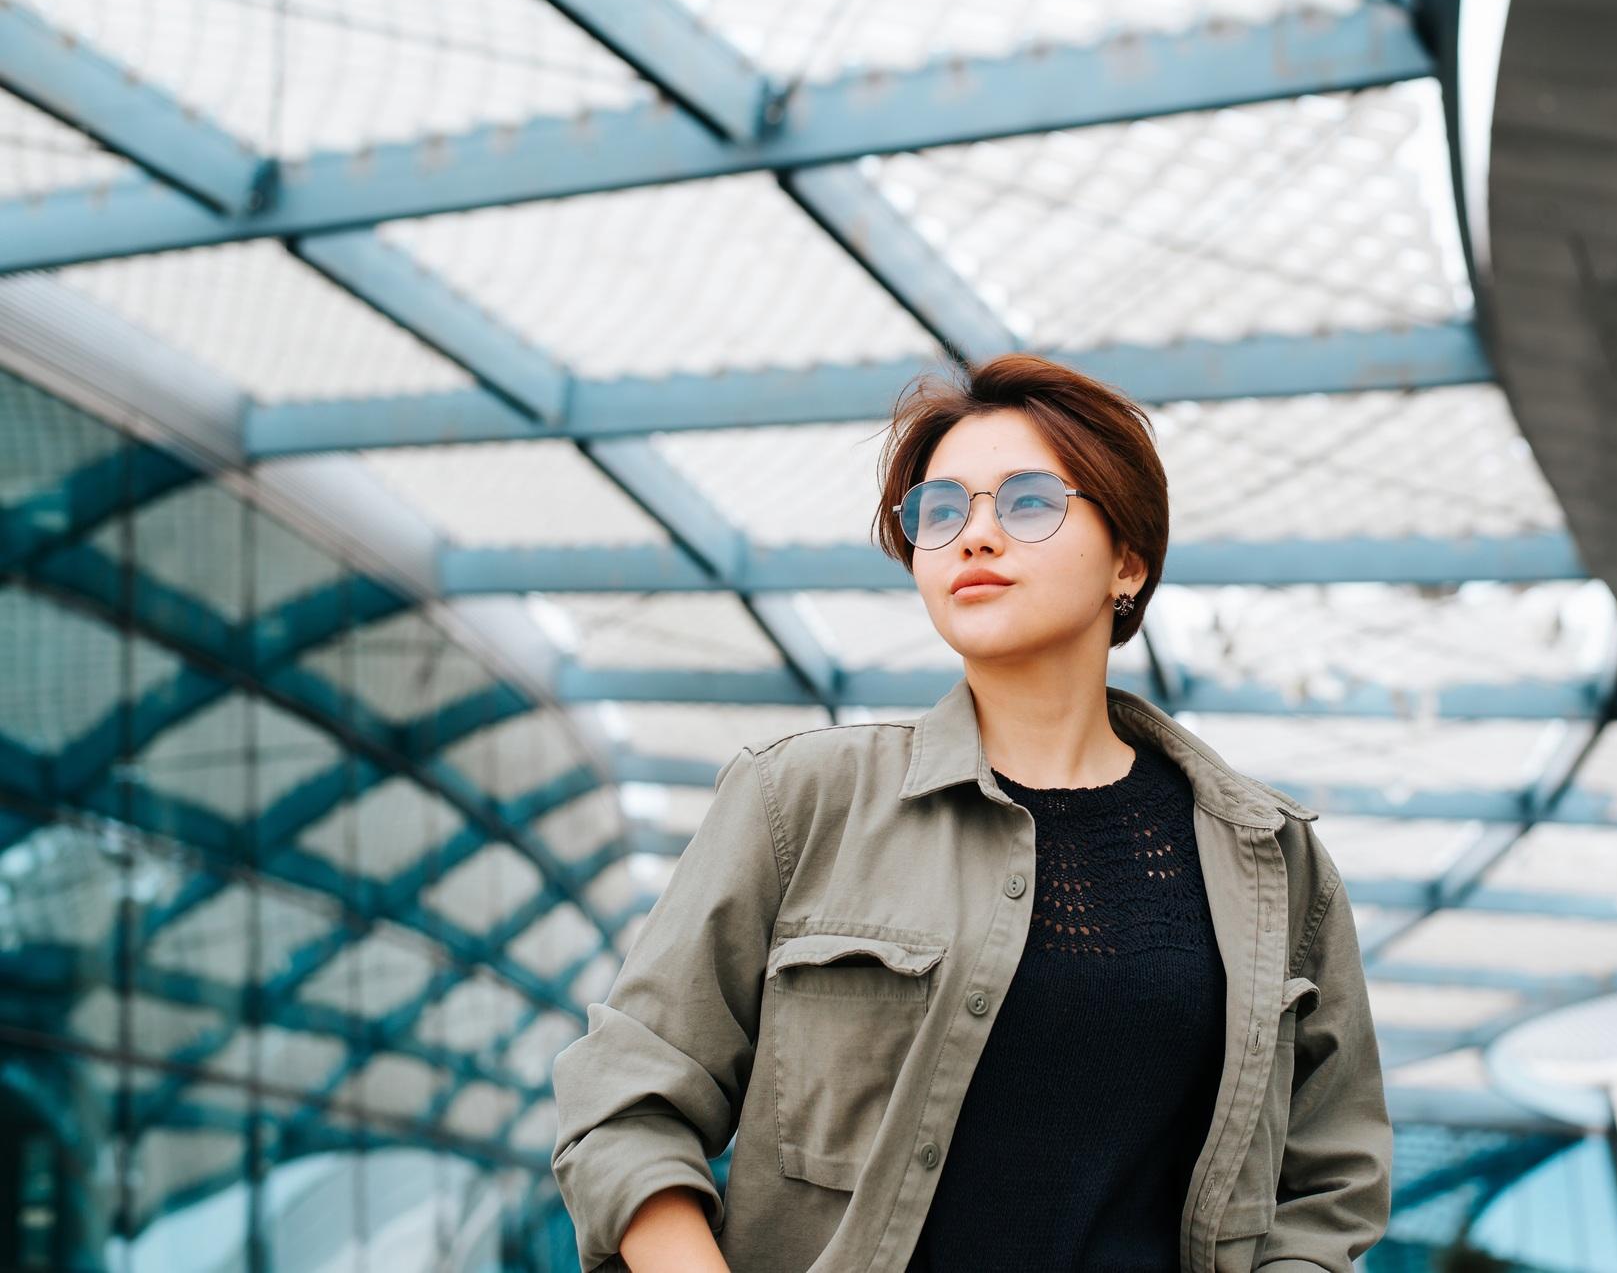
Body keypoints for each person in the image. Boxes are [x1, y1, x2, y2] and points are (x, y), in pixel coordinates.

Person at [550, 353, 1391, 1273]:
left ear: (1128, 560)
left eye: (1028, 502)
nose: (974, 535)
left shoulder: (1270, 856)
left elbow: (1330, 1180)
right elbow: (624, 1104)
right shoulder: (800, 803)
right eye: (941, 511)